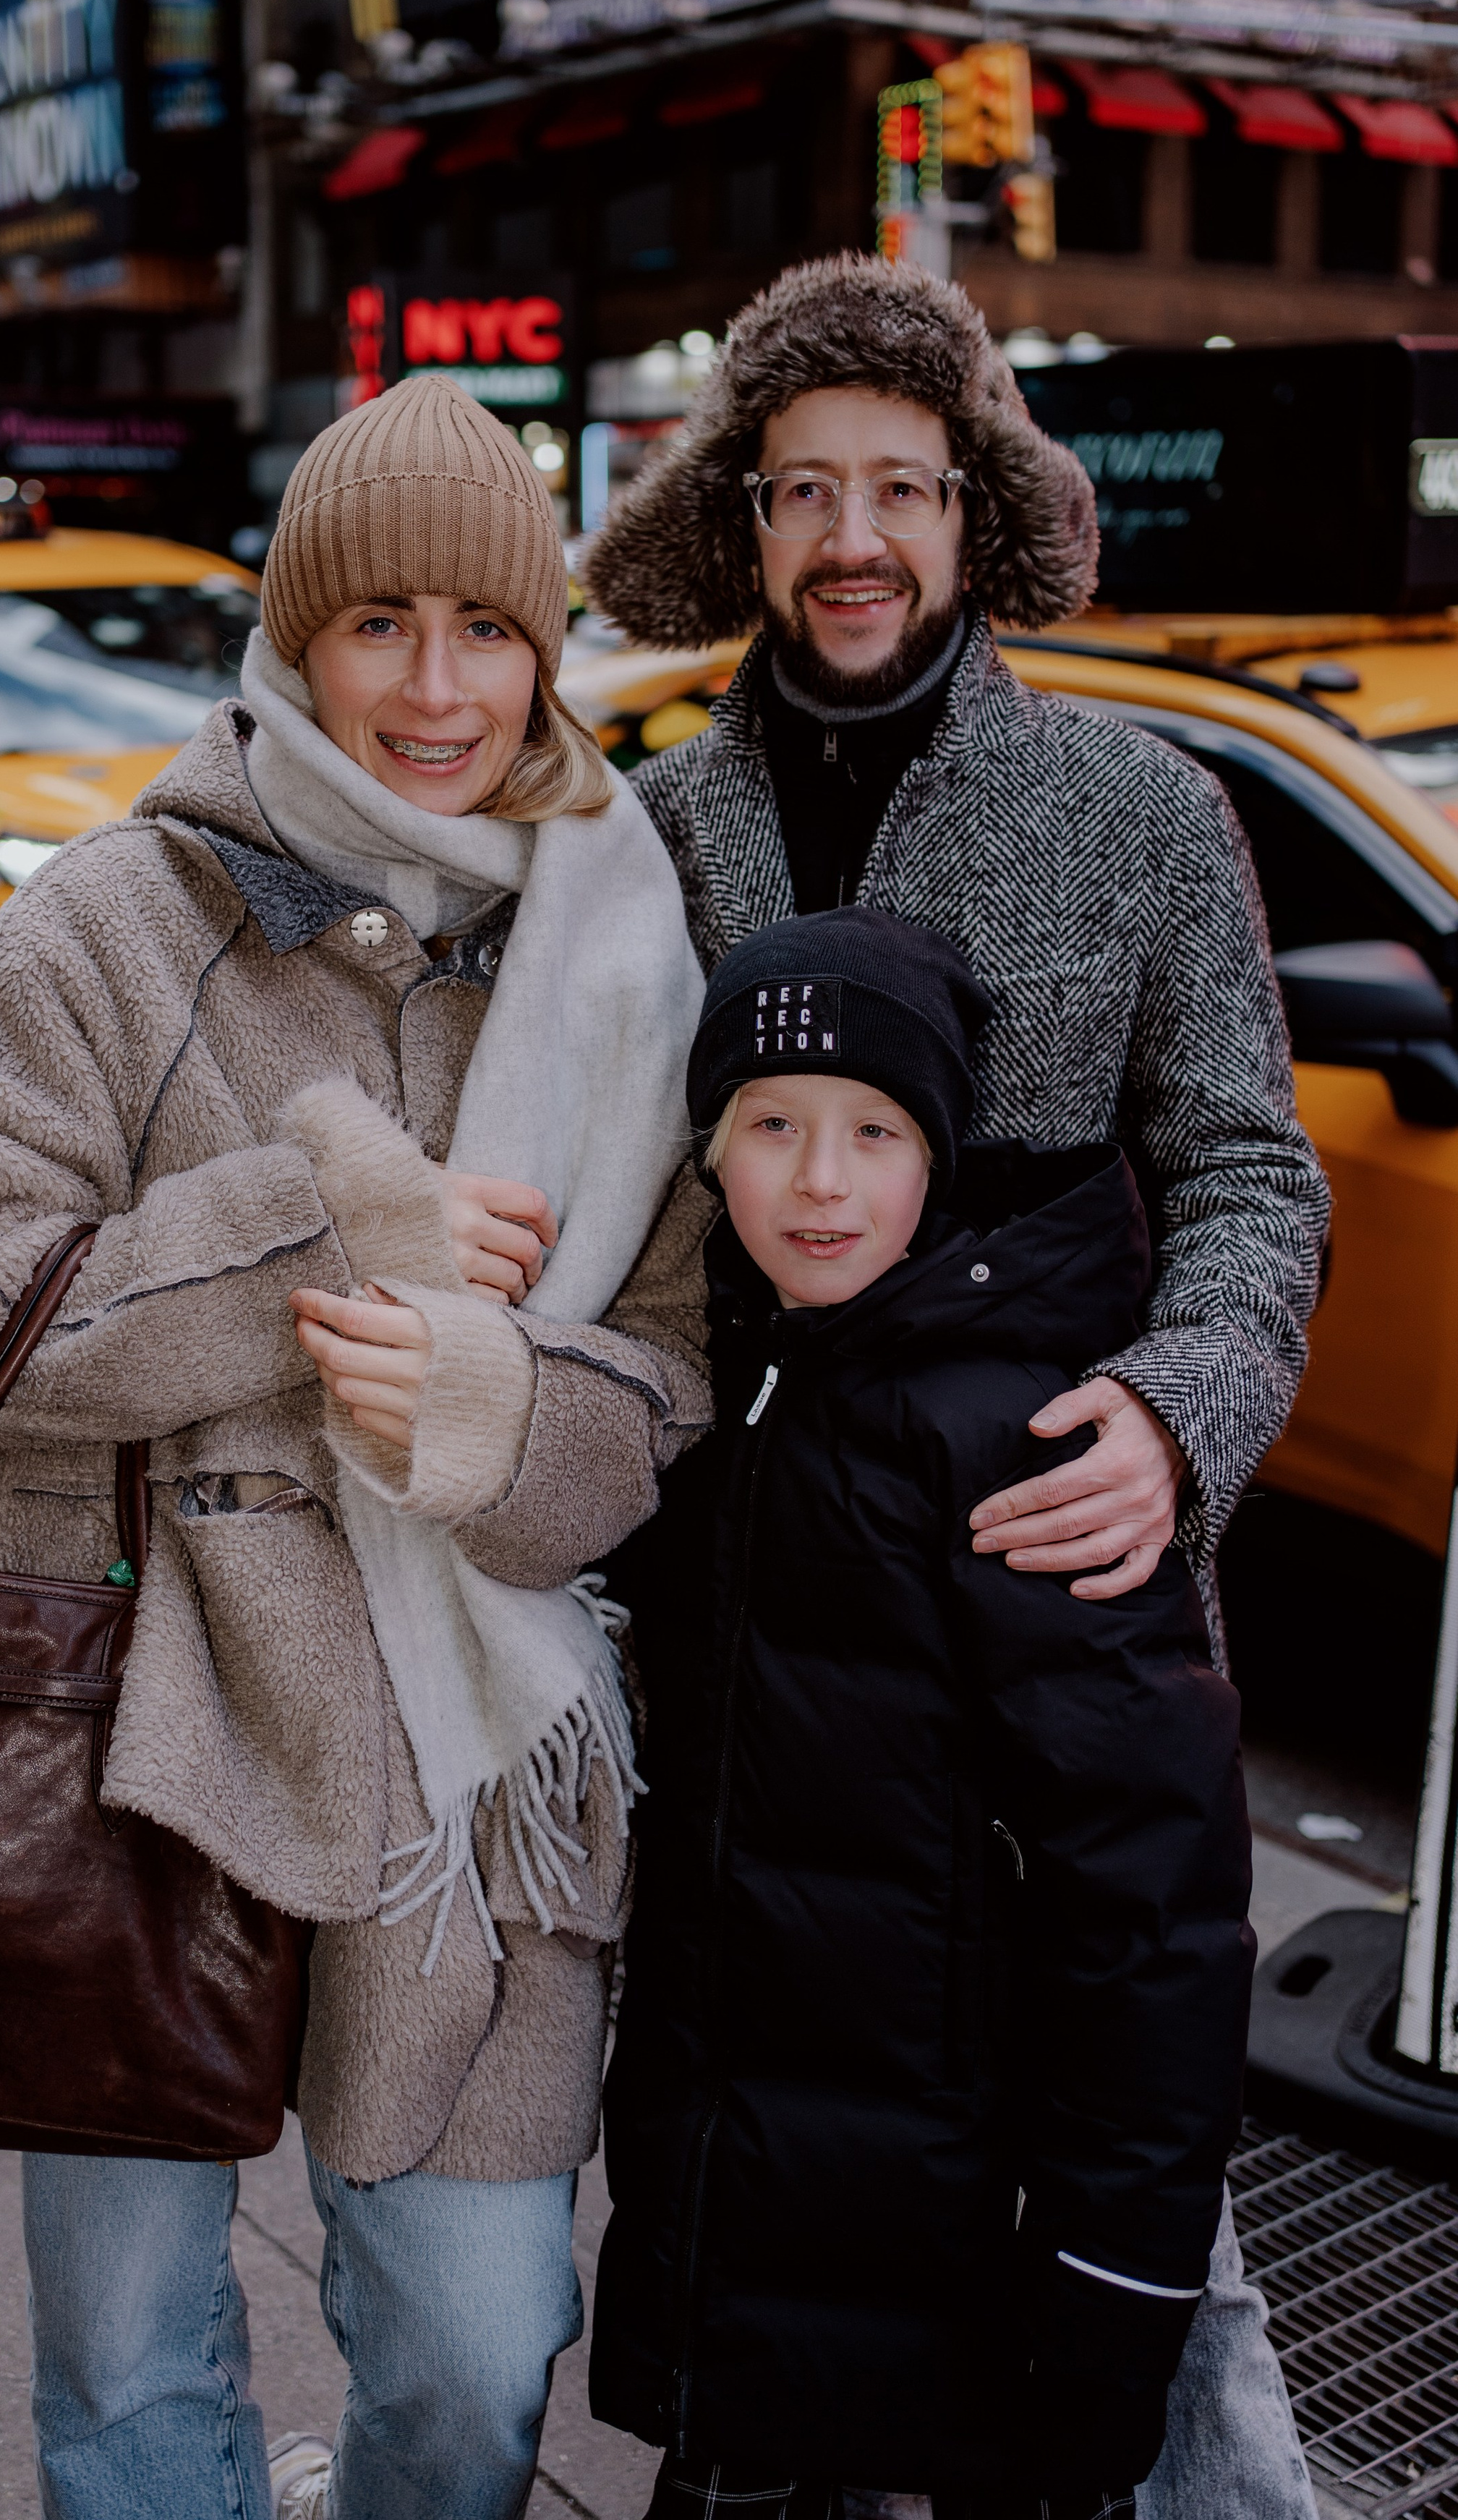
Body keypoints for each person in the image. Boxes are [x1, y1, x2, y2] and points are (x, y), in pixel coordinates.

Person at [0, 372, 714, 2520]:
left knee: (477, 2351)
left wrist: (507, 1413)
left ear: (545, 645)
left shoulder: (615, 936)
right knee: (133, 2371)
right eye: (380, 625)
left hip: (470, 1787)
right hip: (143, 1745)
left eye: (490, 629)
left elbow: (678, 1361)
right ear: (294, 640)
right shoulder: (110, 924)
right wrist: (322, 1224)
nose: (439, 688)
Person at [586, 252, 1330, 2519]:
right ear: (738, 521)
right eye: (803, 489)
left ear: (976, 514)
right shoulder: (650, 830)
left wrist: (1188, 1406)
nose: (853, 541)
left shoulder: (1137, 806)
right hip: (750, 1645)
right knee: (780, 2188)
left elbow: (1247, 1171)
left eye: (901, 486)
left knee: (1136, 2238)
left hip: (1039, 1624)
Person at [590, 905, 1255, 2520]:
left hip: (950, 2240)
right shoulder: (724, 1402)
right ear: (708, 1152)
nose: (819, 1182)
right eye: (769, 1125)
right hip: (745, 2222)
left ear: (936, 1154)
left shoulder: (1018, 1447)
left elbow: (1152, 1897)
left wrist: (1114, 2277)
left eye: (873, 1131)